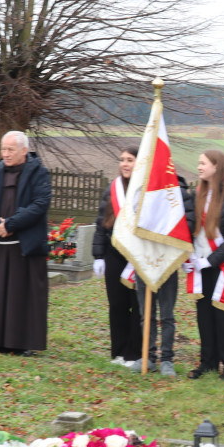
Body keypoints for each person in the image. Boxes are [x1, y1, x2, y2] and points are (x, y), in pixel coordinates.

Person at [0, 131, 51, 356]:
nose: (5, 154)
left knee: (22, 295)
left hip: (26, 246)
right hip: (0, 245)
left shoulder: (39, 172)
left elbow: (40, 203)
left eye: (10, 150)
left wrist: (11, 223)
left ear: (24, 151)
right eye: (3, 149)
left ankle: (22, 342)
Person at [187, 150, 224, 381]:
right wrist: (190, 258)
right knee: (204, 316)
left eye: (203, 163)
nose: (199, 167)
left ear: (216, 166)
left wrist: (210, 260)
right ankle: (208, 363)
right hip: (200, 267)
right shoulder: (197, 194)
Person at [130, 173, 195, 377]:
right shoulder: (140, 191)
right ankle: (148, 356)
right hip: (145, 258)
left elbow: (188, 224)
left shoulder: (177, 193)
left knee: (167, 315)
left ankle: (166, 359)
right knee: (146, 314)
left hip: (166, 259)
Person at [92, 146, 142, 365]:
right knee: (118, 305)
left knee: (136, 305)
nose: (125, 164)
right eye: (122, 160)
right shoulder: (112, 188)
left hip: (138, 256)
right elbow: (101, 223)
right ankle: (119, 352)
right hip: (114, 254)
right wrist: (98, 255)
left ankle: (134, 353)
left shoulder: (146, 189)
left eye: (130, 160)